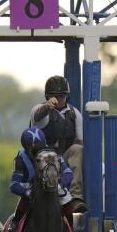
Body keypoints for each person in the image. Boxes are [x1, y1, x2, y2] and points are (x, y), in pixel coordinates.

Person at [2, 127, 76, 232]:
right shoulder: (21, 158)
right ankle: (14, 227)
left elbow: (68, 172)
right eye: (34, 151)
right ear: (27, 150)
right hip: (33, 188)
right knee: (24, 202)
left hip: (53, 186)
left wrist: (61, 183)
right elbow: (14, 184)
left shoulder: (53, 154)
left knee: (67, 200)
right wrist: (26, 192)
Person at [29, 75, 85, 211]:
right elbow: (37, 117)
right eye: (55, 96)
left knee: (78, 149)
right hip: (43, 159)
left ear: (67, 96)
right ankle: (15, 223)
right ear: (47, 96)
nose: (59, 99)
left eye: (62, 96)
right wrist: (47, 107)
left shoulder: (75, 114)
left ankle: (76, 196)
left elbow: (80, 139)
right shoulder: (39, 109)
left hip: (63, 158)